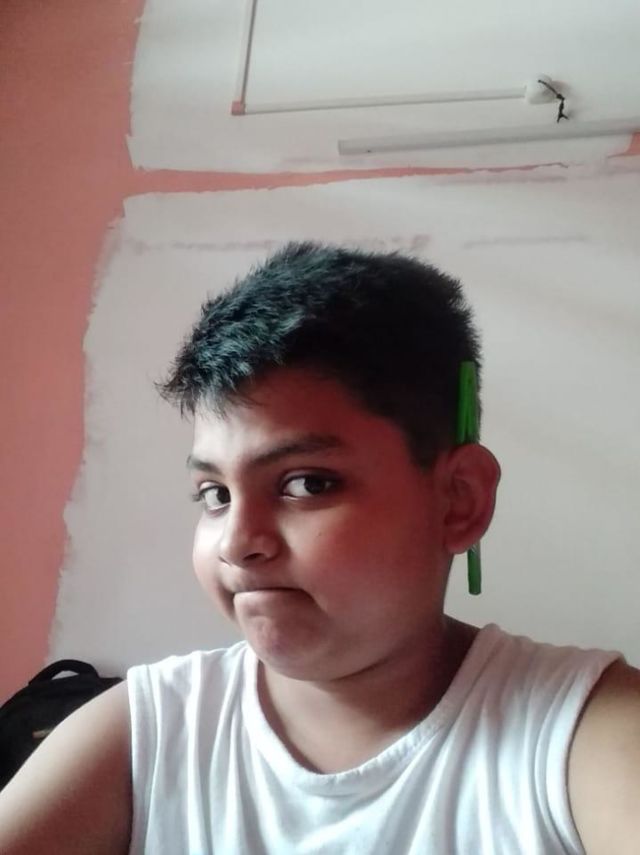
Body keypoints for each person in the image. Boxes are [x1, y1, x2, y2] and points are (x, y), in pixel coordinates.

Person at [1, 242, 639, 854]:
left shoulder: (586, 733)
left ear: (458, 500)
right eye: (214, 494)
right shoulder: (143, 733)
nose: (237, 543)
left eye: (307, 484)